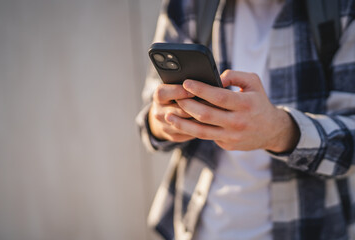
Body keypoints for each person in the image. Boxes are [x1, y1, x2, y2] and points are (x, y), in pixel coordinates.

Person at [136, 0, 355, 239]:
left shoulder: (342, 8)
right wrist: (162, 122)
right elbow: (150, 117)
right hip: (197, 227)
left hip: (308, 228)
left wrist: (281, 132)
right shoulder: (188, 5)